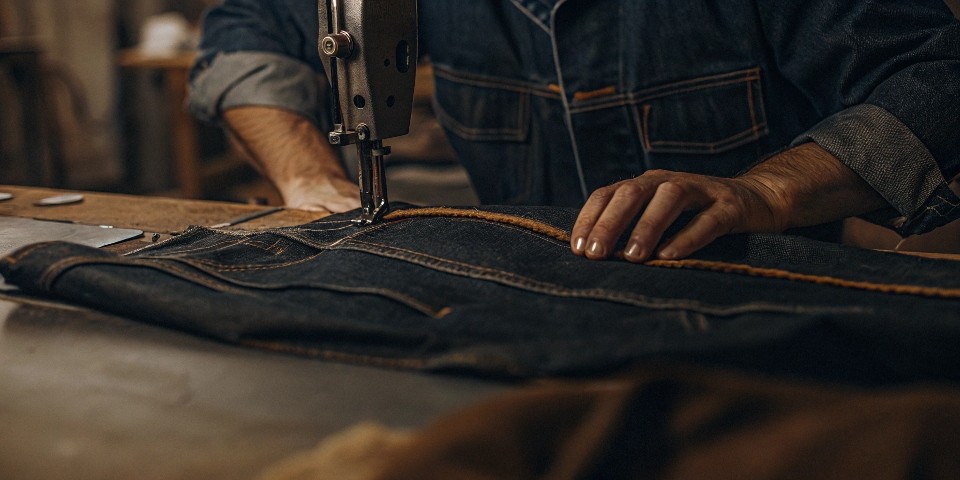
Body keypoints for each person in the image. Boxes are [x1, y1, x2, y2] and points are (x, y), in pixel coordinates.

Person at [189, 0, 960, 263]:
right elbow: (249, 26)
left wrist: (764, 191)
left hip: (757, 321)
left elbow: (938, 82)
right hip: (513, 315)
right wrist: (306, 174)